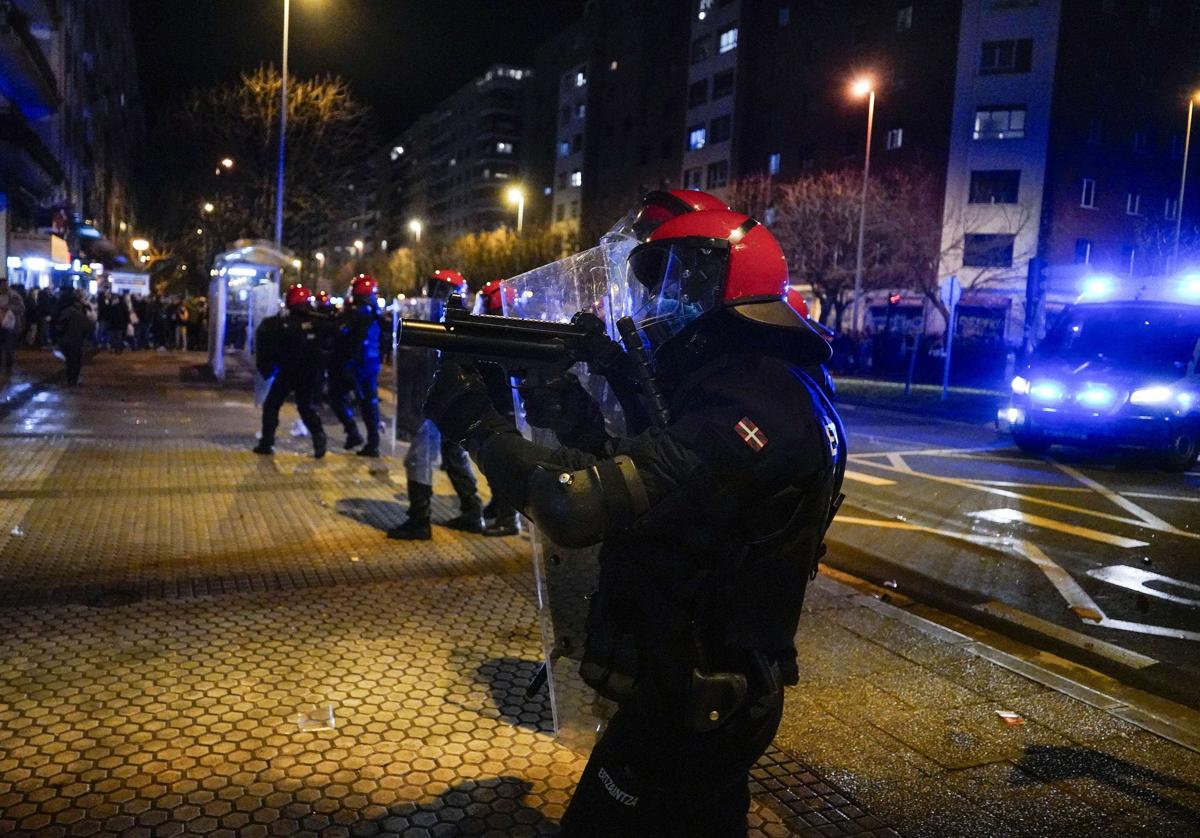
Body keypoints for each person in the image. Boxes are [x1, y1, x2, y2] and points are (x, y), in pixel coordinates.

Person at [423, 201, 845, 835]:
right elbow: (664, 480)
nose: (666, 304)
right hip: (697, 688)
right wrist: (581, 410)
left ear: (729, 285)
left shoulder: (757, 403)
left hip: (696, 699)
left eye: (681, 283)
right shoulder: (751, 382)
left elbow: (574, 505)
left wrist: (476, 424)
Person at [388, 269, 486, 540]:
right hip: (451, 403)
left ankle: (420, 521)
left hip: (437, 402)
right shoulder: (454, 320)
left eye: (436, 289)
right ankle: (472, 511)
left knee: (418, 459)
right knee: (454, 456)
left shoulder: (446, 321)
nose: (431, 294)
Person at [252, 284, 328, 458]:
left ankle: (267, 442)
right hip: (308, 373)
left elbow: (272, 346)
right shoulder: (317, 321)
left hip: (288, 372)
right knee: (305, 407)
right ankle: (319, 439)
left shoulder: (284, 323)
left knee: (272, 405)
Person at [330, 274, 384, 457]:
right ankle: (371, 441)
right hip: (370, 364)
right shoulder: (373, 311)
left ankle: (356, 434)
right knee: (369, 404)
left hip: (357, 365)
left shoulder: (358, 312)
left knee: (337, 397)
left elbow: (340, 332)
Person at [55, 289, 90, 386]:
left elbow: (60, 326)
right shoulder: (80, 313)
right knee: (75, 361)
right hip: (76, 340)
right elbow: (87, 327)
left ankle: (71, 380)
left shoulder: (66, 311)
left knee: (70, 361)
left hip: (67, 340)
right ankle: (73, 380)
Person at [0, 277, 25, 374]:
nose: (4, 286)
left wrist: (9, 308)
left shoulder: (14, 295)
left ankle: (8, 369)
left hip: (10, 326)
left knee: (9, 348)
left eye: (5, 284)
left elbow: (21, 308)